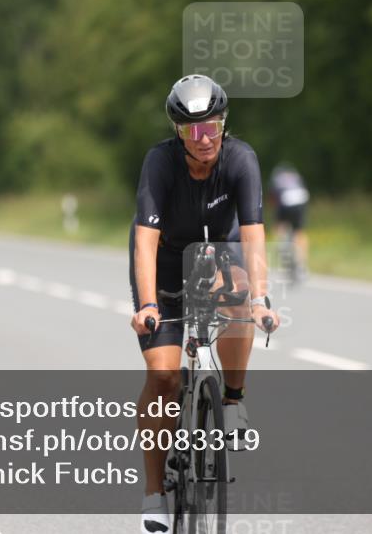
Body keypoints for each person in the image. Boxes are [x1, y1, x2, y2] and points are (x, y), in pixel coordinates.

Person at [129, 74, 280, 533]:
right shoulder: (160, 163)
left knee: (239, 301)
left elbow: (253, 235)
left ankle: (233, 397)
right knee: (164, 375)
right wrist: (148, 305)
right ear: (178, 132)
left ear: (223, 123)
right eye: (193, 131)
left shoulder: (241, 159)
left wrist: (260, 298)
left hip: (221, 252)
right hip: (168, 260)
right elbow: (145, 243)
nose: (204, 139)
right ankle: (154, 496)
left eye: (211, 127)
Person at [268, 162, 310, 280]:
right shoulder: (296, 176)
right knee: (299, 232)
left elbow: (273, 200)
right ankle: (302, 265)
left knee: (279, 225)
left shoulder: (276, 178)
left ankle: (281, 243)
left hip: (284, 200)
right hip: (300, 199)